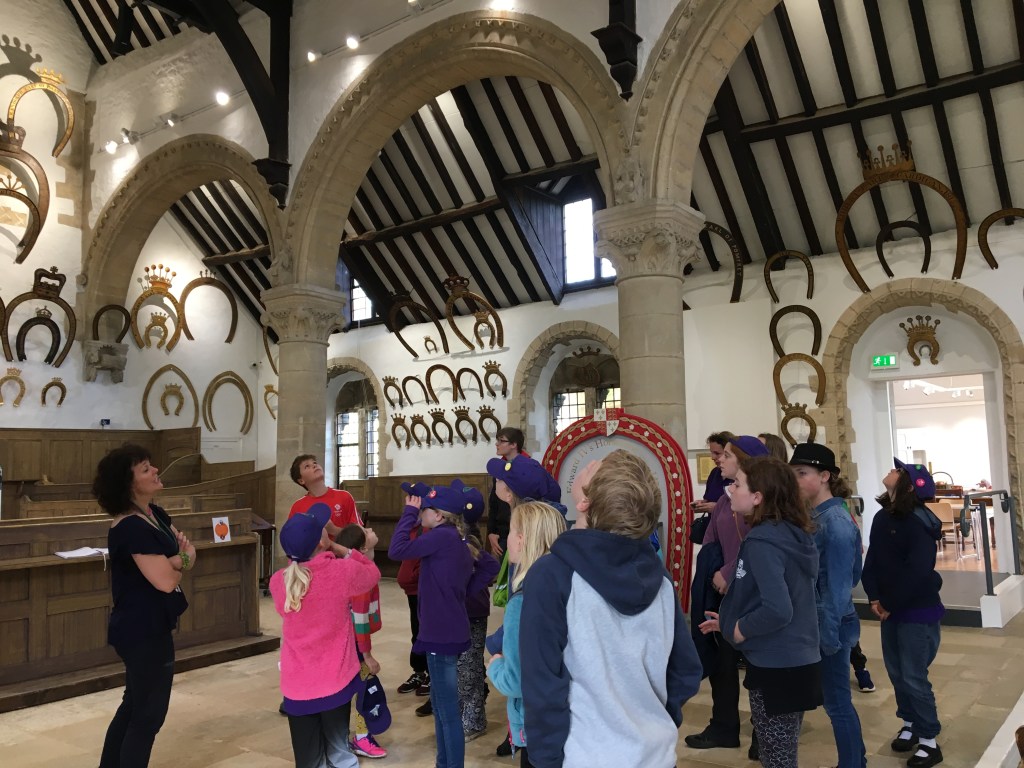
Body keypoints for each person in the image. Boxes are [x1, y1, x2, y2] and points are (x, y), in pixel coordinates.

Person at [520, 449, 702, 768]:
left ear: (584, 502)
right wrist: (652, 723)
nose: (591, 464)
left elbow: (542, 683)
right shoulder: (659, 579)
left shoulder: (552, 576)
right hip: (654, 756)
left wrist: (545, 758)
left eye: (595, 469)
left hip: (584, 757)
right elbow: (685, 673)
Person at [708, 456, 822, 768]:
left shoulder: (763, 540)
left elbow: (778, 609)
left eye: (738, 484)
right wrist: (728, 621)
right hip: (794, 658)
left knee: (778, 758)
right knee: (781, 752)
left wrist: (740, 628)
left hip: (777, 663)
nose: (731, 489)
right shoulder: (788, 532)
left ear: (757, 497)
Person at [95, 444, 194, 768]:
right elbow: (165, 580)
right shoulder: (130, 526)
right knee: (148, 716)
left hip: (153, 623)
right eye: (145, 469)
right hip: (140, 629)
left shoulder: (155, 515)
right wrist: (180, 561)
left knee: (134, 705)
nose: (155, 471)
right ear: (128, 483)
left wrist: (179, 560)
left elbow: (191, 553)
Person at [389, 479, 497, 768]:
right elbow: (490, 565)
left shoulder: (440, 536)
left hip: (440, 635)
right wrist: (461, 593)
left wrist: (408, 514)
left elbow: (396, 550)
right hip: (449, 629)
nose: (421, 512)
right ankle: (443, 763)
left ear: (438, 515)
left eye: (424, 509)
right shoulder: (457, 537)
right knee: (441, 706)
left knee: (447, 712)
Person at [270, 503, 381, 768]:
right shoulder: (340, 572)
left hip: (298, 686)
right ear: (323, 542)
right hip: (336, 680)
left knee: (308, 759)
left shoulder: (279, 581)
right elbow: (372, 573)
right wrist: (343, 550)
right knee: (340, 754)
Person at [685, 435, 769, 757]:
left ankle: (764, 734)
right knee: (721, 665)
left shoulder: (761, 503)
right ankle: (723, 727)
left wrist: (729, 572)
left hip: (753, 594)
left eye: (728, 455)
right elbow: (710, 543)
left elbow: (761, 541)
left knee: (759, 666)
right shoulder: (724, 500)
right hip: (723, 595)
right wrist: (713, 575)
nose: (720, 459)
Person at [862, 459, 945, 768]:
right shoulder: (884, 517)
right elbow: (873, 559)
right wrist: (873, 595)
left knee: (913, 676)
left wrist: (889, 603)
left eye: (898, 471)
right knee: (897, 674)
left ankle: (929, 740)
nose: (891, 470)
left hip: (916, 610)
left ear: (909, 486)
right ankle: (909, 723)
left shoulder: (918, 523)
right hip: (890, 608)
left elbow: (918, 571)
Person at [790, 442, 866, 768]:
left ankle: (853, 763)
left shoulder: (834, 522)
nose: (795, 479)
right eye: (793, 473)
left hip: (831, 621)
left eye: (802, 473)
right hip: (821, 618)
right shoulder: (817, 515)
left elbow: (840, 586)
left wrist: (829, 638)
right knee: (833, 701)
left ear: (824, 476)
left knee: (837, 703)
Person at [486, 501, 566, 767]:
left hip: (536, 723)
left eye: (509, 530)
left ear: (520, 540)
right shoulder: (568, 586)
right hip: (571, 717)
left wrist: (495, 665)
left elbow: (517, 680)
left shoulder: (521, 602)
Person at [335, 523, 388, 759]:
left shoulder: (353, 566)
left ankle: (344, 738)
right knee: (364, 690)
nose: (370, 529)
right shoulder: (359, 574)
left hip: (347, 640)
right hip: (355, 643)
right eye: (367, 531)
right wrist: (367, 654)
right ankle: (361, 737)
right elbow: (360, 619)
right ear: (363, 547)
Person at [459, 493, 500, 742]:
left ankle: (474, 721)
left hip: (472, 611)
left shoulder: (468, 540)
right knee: (464, 666)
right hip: (465, 610)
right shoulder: (466, 535)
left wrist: (469, 591)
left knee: (470, 668)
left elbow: (489, 570)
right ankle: (465, 716)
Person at [395, 481, 432, 716]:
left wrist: (416, 577)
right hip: (411, 591)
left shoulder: (429, 528)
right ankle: (418, 671)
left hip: (423, 590)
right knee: (416, 631)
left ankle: (429, 674)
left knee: (425, 632)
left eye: (411, 497)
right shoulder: (411, 524)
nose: (407, 500)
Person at [289, 454, 361, 533]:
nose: (314, 465)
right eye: (307, 466)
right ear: (301, 480)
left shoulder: (344, 496)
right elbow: (294, 538)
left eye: (314, 463)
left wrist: (333, 530)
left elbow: (359, 534)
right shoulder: (297, 507)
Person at [487, 427, 525, 556]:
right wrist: (491, 532)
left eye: (501, 441)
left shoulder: (528, 468)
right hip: (502, 534)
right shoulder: (499, 469)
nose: (497, 444)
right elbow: (494, 504)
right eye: (497, 440)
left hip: (523, 531)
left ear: (514, 445)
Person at [694, 431, 735, 515]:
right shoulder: (714, 473)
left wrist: (717, 508)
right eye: (711, 453)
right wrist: (702, 504)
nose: (712, 457)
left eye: (717, 453)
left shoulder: (739, 476)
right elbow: (709, 498)